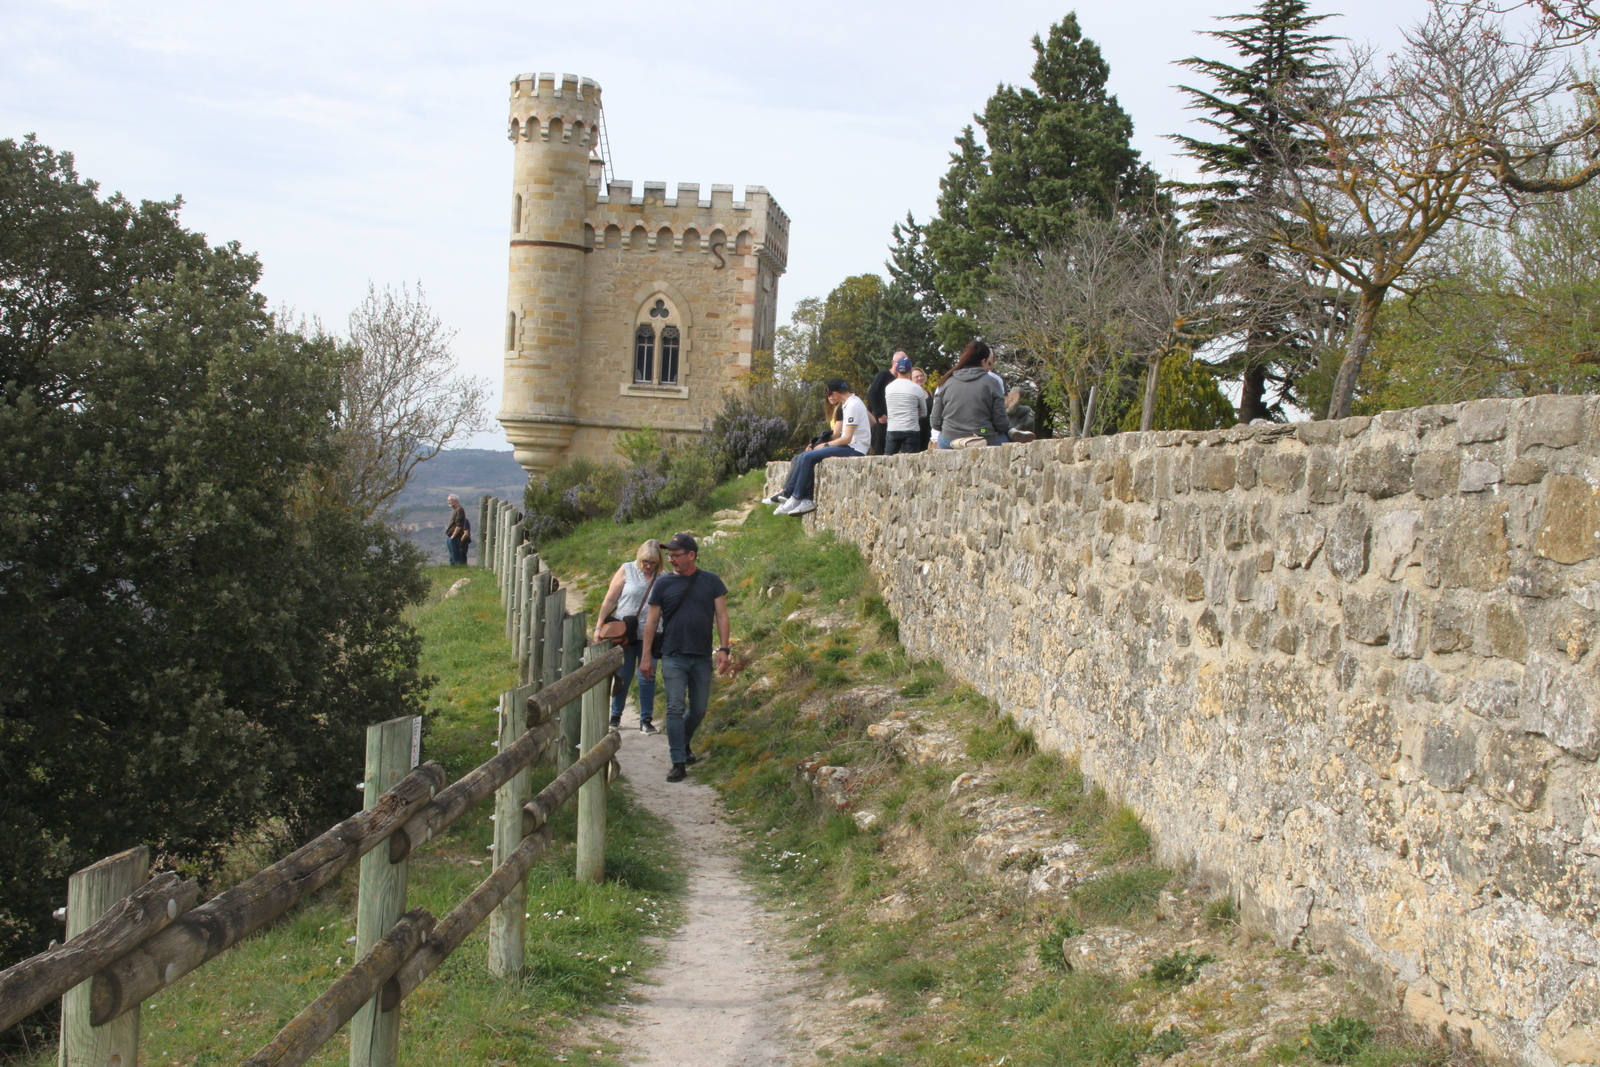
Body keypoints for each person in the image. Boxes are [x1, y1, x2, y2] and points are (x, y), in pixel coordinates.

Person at [638, 533, 730, 782]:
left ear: (692, 555)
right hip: (673, 655)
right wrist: (645, 658)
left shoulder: (711, 581)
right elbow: (652, 622)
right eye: (669, 555)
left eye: (676, 555)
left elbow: (721, 616)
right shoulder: (663, 583)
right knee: (675, 708)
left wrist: (724, 649)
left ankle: (683, 742)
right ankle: (678, 761)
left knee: (699, 709)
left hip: (701, 655)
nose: (671, 560)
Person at [763, 379, 870, 515]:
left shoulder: (852, 405)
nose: (829, 397)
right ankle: (802, 499)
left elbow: (847, 438)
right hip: (855, 445)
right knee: (803, 457)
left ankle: (796, 498)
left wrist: (825, 445)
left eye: (829, 394)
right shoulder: (853, 402)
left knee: (808, 457)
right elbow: (871, 421)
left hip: (854, 448)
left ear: (834, 393)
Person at [592, 539, 665, 732]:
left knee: (647, 674)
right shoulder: (627, 569)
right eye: (645, 562)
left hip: (652, 633)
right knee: (623, 675)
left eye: (653, 563)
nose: (648, 567)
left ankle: (646, 719)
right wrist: (599, 626)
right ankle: (615, 715)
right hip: (626, 631)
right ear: (639, 558)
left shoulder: (663, 576)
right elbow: (610, 598)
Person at [930, 340, 1010, 448]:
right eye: (988, 363)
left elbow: (935, 422)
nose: (988, 368)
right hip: (983, 434)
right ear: (983, 361)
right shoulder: (992, 382)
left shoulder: (946, 381)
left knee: (943, 438)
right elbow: (1001, 424)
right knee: (1006, 439)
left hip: (949, 439)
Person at [883, 354, 928, 454]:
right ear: (910, 371)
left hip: (893, 428)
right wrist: (916, 414)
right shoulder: (916, 388)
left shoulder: (889, 388)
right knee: (911, 464)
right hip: (911, 428)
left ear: (897, 370)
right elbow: (924, 412)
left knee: (888, 461)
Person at [865, 356, 899, 456]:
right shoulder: (884, 375)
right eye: (899, 362)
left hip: (895, 420)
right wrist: (879, 414)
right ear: (893, 362)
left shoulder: (903, 379)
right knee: (878, 451)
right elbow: (871, 394)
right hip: (881, 420)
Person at [445, 494, 471, 565]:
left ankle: (458, 569)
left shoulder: (459, 509)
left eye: (450, 500)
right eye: (448, 500)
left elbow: (459, 525)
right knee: (451, 557)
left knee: (455, 557)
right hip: (450, 536)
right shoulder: (454, 510)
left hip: (454, 537)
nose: (448, 502)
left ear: (455, 500)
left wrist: (453, 536)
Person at [911, 366, 932, 451]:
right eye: (917, 376)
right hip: (915, 430)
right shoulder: (910, 394)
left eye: (921, 375)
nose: (920, 378)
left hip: (928, 430)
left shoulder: (929, 393)